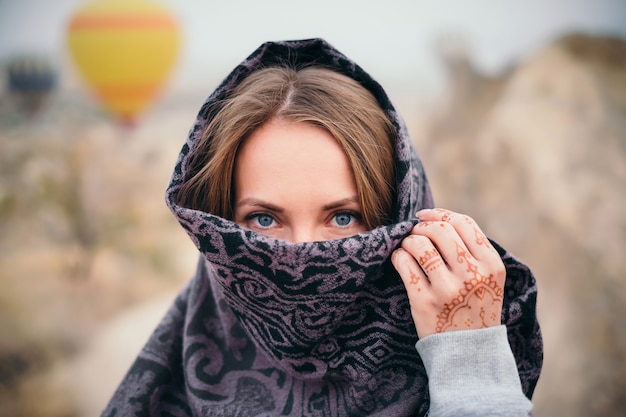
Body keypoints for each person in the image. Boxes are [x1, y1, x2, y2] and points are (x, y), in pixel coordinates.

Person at [102, 39, 542, 417]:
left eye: (343, 217)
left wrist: (469, 366)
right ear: (214, 227)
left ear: (400, 213)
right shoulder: (176, 375)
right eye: (264, 219)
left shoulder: (469, 346)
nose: (301, 259)